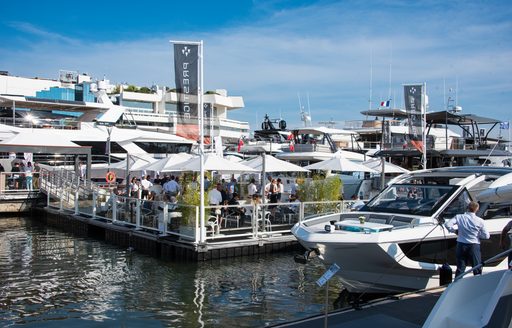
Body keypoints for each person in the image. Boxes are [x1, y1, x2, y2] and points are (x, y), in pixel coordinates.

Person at [445, 201, 490, 277]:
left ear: (467, 208)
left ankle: (457, 285)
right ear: (477, 209)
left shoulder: (459, 217)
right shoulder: (480, 221)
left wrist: (455, 231)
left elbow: (447, 224)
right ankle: (478, 285)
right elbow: (486, 236)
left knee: (460, 268)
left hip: (461, 245)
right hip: (474, 245)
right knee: (476, 268)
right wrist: (478, 234)